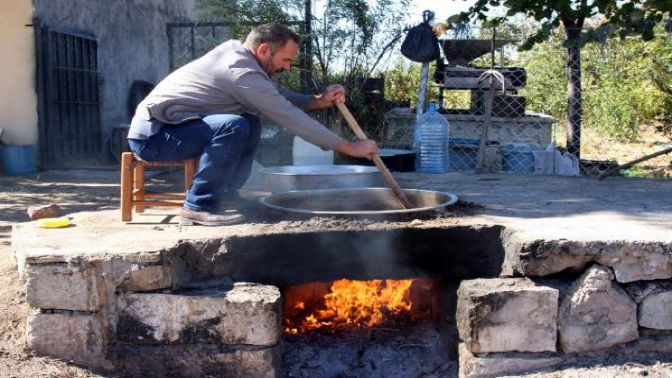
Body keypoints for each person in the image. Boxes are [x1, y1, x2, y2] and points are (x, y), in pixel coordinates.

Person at [128, 23, 379, 226]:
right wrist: (348, 146)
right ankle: (198, 205)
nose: (287, 66)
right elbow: (287, 114)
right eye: (285, 59)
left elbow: (274, 97)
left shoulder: (243, 62)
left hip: (180, 128)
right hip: (155, 136)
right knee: (234, 125)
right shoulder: (239, 70)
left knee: (248, 122)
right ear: (264, 50)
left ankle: (226, 196)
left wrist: (317, 101)